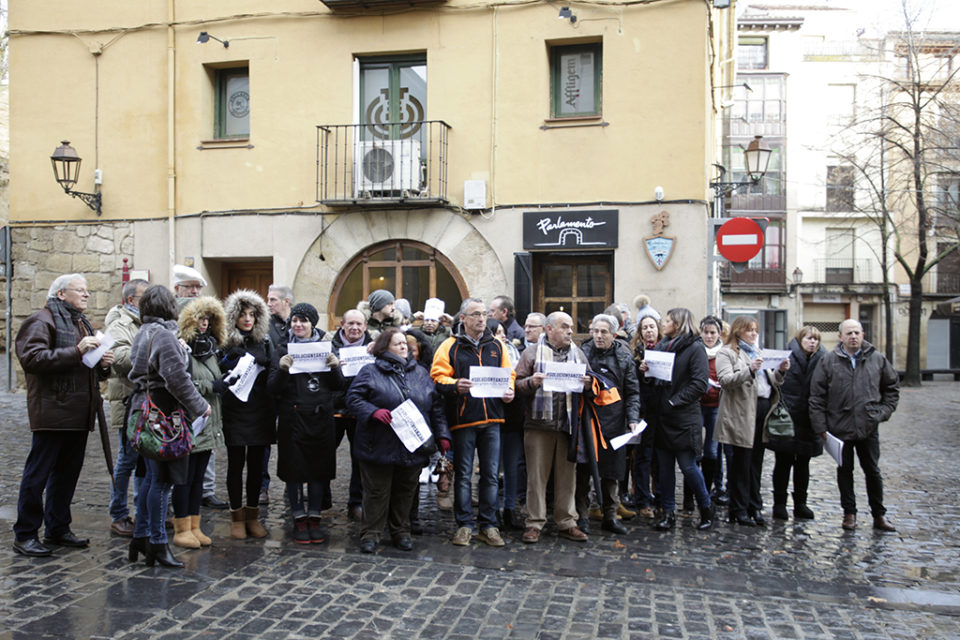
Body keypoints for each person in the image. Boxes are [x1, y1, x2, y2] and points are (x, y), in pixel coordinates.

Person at [13, 274, 114, 557]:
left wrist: (103, 364)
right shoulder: (41, 321)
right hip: (52, 410)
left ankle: (58, 528)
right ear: (60, 294)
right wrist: (76, 350)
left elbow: (84, 364)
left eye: (87, 291)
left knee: (67, 475)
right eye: (80, 290)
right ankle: (25, 534)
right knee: (38, 474)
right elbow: (31, 359)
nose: (87, 295)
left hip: (78, 411)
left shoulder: (80, 323)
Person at [346, 327, 451, 553]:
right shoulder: (370, 371)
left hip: (412, 445)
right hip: (378, 443)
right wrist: (372, 411)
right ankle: (371, 533)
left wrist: (442, 435)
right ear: (385, 347)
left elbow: (436, 408)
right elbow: (353, 399)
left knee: (406, 491)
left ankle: (401, 531)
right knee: (376, 492)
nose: (404, 346)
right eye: (397, 343)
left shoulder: (421, 373)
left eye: (405, 343)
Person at [127, 285, 211, 567]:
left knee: (150, 479)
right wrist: (202, 406)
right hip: (162, 416)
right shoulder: (163, 336)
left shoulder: (144, 332)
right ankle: (158, 541)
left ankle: (141, 537)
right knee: (162, 482)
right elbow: (177, 380)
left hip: (143, 411)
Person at [431, 299, 515, 548]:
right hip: (464, 419)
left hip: (492, 419)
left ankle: (489, 526)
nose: (481, 318)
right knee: (464, 475)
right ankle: (465, 525)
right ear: (463, 319)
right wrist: (455, 385)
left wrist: (509, 390)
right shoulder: (450, 346)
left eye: (484, 314)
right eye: (475, 314)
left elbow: (508, 373)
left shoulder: (497, 345)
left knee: (490, 476)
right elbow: (437, 376)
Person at [809, 319, 899, 532]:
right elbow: (817, 396)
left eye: (857, 332)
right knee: (845, 471)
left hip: (868, 427)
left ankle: (879, 515)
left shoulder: (877, 359)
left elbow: (892, 388)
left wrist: (881, 413)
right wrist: (821, 427)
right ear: (840, 336)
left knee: (872, 471)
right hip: (839, 428)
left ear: (863, 334)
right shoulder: (828, 361)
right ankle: (849, 514)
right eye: (849, 333)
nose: (853, 336)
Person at [515, 311, 592, 544]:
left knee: (568, 477)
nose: (570, 331)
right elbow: (516, 384)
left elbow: (591, 383)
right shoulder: (530, 353)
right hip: (538, 425)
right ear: (550, 330)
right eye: (565, 327)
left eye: (570, 327)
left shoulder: (578, 354)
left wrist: (589, 384)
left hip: (568, 425)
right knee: (536, 478)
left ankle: (567, 522)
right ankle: (534, 523)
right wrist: (531, 382)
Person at [268, 303, 342, 545]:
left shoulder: (326, 347)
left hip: (320, 418)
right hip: (293, 418)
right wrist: (281, 370)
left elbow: (339, 386)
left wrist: (334, 368)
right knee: (295, 470)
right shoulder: (281, 348)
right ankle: (299, 518)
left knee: (319, 470)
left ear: (312, 324)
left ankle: (314, 517)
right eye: (294, 321)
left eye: (303, 321)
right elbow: (272, 388)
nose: (298, 325)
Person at [715, 316, 789, 527]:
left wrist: (781, 371)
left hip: (762, 411)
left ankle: (754, 506)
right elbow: (726, 381)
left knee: (756, 461)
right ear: (738, 332)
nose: (754, 334)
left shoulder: (759, 352)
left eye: (756, 330)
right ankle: (739, 508)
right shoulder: (727, 352)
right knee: (741, 462)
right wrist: (749, 370)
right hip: (741, 413)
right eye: (750, 330)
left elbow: (769, 381)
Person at [644, 308, 713, 531]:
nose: (663, 323)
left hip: (684, 418)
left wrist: (675, 401)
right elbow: (657, 380)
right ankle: (669, 512)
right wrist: (646, 372)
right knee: (664, 469)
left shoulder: (695, 348)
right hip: (663, 417)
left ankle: (706, 508)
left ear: (679, 323)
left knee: (688, 467)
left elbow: (699, 383)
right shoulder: (663, 346)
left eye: (667, 320)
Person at [171, 296, 227, 549]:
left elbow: (213, 377)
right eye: (200, 319)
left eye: (208, 319)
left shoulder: (211, 348)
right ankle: (181, 527)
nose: (204, 324)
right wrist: (210, 386)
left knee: (197, 479)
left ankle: (195, 525)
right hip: (189, 421)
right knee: (184, 477)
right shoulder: (181, 347)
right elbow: (178, 383)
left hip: (207, 422)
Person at [577, 314, 641, 535]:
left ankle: (610, 516)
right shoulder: (582, 352)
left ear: (614, 335)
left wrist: (632, 418)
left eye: (604, 332)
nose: (599, 336)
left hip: (615, 421)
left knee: (612, 472)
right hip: (587, 419)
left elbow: (632, 391)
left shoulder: (624, 357)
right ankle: (582, 516)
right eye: (595, 331)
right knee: (584, 471)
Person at [220, 289, 275, 539]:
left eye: (252, 314)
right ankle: (235, 517)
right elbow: (217, 373)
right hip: (235, 410)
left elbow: (273, 370)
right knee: (235, 465)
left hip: (260, 410)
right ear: (234, 316)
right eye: (243, 314)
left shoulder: (264, 341)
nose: (248, 319)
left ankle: (252, 516)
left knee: (256, 466)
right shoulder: (224, 343)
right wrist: (228, 361)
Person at [104, 278, 149, 537]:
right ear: (131, 300)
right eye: (145, 297)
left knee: (145, 460)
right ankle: (119, 513)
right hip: (127, 402)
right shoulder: (120, 324)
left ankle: (141, 511)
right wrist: (152, 350)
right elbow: (120, 360)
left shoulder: (145, 323)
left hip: (146, 403)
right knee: (127, 460)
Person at [770, 326, 826, 521]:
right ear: (800, 340)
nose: (813, 342)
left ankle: (801, 503)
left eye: (816, 339)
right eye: (809, 339)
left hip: (809, 419)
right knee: (783, 462)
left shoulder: (823, 359)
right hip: (787, 417)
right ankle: (779, 504)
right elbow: (775, 382)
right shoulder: (786, 357)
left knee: (803, 463)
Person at [329, 309, 374, 521]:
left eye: (359, 324)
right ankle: (321, 497)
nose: (355, 328)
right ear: (342, 324)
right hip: (334, 409)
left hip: (360, 411)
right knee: (325, 454)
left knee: (360, 459)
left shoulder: (374, 347)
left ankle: (356, 502)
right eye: (350, 324)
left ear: (365, 326)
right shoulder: (329, 347)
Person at [262, 284, 296, 506]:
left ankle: (290, 483)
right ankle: (262, 487)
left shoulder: (298, 323)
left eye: (273, 299)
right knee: (264, 440)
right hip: (268, 390)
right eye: (268, 299)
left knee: (290, 440)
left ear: (286, 302)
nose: (269, 303)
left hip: (292, 392)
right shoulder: (264, 325)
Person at [627, 314, 661, 518]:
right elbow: (632, 385)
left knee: (660, 458)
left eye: (652, 326)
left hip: (662, 411)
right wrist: (642, 373)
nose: (649, 330)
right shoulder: (635, 354)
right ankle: (642, 499)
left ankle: (660, 496)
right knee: (642, 457)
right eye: (645, 327)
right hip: (643, 410)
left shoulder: (666, 349)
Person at [698, 315, 725, 506]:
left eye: (712, 333)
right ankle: (698, 488)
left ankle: (711, 487)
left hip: (717, 405)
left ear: (719, 334)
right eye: (706, 333)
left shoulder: (724, 353)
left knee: (713, 449)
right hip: (698, 405)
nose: (709, 336)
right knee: (695, 448)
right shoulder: (697, 350)